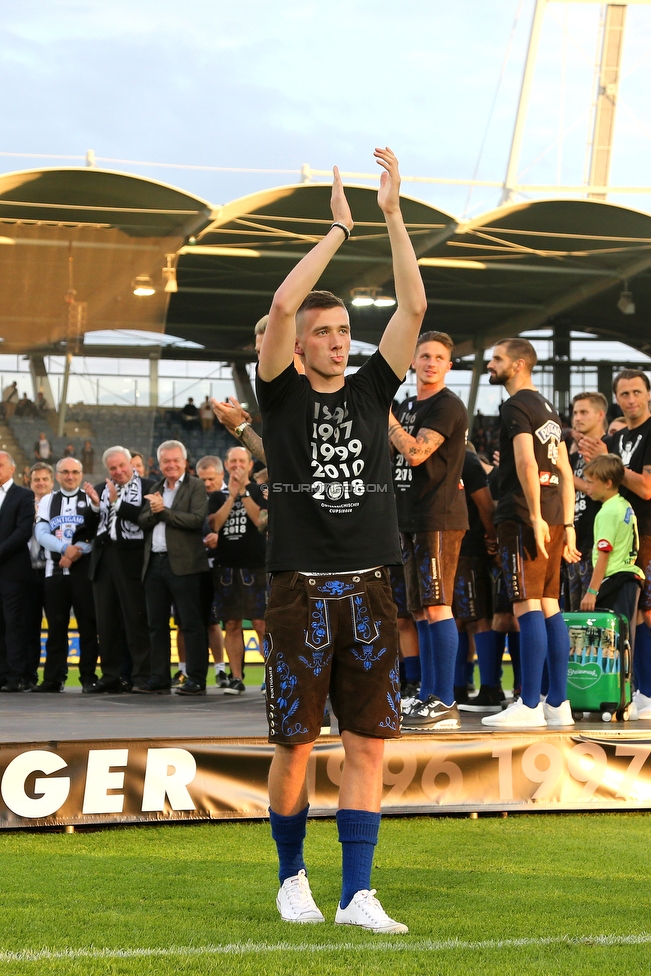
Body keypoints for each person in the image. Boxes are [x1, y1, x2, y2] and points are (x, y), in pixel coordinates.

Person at [257, 148, 425, 932]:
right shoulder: (281, 394)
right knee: (295, 747)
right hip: (298, 590)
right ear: (297, 345)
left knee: (368, 744)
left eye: (342, 331)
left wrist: (393, 217)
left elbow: (414, 310)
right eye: (322, 332)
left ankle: (358, 893)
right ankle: (293, 877)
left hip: (368, 587)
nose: (334, 341)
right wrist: (336, 228)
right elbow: (283, 300)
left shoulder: (369, 389)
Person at [481, 337, 580, 729]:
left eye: (497, 359)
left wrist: (534, 515)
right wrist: (567, 523)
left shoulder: (516, 405)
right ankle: (558, 703)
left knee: (526, 604)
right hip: (555, 514)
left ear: (519, 364)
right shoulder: (550, 409)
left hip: (524, 516)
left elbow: (524, 462)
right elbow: (567, 473)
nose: (491, 364)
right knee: (550, 605)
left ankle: (528, 705)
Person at [389, 331, 469, 732]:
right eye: (425, 355)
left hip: (438, 516)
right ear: (413, 362)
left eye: (439, 357)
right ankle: (425, 696)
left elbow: (416, 453)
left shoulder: (447, 405)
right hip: (408, 517)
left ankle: (445, 700)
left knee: (438, 606)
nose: (432, 362)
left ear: (449, 365)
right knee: (418, 609)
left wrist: (385, 420)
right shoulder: (406, 405)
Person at [579, 370, 651, 717]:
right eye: (624, 394)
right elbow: (602, 485)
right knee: (630, 620)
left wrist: (611, 459)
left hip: (644, 532)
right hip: (622, 534)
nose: (631, 399)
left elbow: (648, 488)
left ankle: (646, 692)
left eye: (637, 392)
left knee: (644, 615)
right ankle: (634, 690)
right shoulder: (620, 436)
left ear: (648, 394)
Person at [137, 440, 210, 695]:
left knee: (191, 623)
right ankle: (159, 677)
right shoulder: (156, 487)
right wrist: (156, 511)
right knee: (156, 625)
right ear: (159, 464)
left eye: (175, 460)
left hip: (185, 565)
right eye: (166, 461)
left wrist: (163, 511)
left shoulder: (196, 486)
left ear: (184, 462)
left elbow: (197, 520)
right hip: (154, 564)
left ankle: (197, 679)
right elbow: (142, 520)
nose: (171, 465)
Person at [82, 447, 155, 693]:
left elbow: (146, 519)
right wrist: (94, 506)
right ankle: (111, 675)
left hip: (132, 558)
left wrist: (116, 503)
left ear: (131, 464)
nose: (118, 471)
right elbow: (87, 529)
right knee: (106, 623)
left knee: (135, 619)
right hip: (103, 559)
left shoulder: (148, 487)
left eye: (122, 465)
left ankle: (142, 675)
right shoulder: (100, 489)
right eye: (113, 468)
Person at [33, 458, 99, 692]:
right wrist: (64, 549)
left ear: (81, 474)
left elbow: (96, 535)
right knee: (56, 627)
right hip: (55, 572)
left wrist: (73, 554)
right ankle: (53, 678)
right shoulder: (48, 500)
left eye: (74, 472)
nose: (70, 476)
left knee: (88, 626)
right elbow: (40, 533)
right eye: (65, 472)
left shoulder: (90, 498)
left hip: (84, 573)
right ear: (57, 476)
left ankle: (89, 677)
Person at [208, 446, 266, 694]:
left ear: (250, 465)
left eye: (241, 461)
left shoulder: (260, 490)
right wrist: (231, 496)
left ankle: (270, 676)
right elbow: (215, 525)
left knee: (261, 624)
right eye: (232, 461)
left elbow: (261, 522)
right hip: (226, 567)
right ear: (226, 463)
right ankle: (236, 677)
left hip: (256, 566)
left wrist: (242, 493)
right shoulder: (217, 496)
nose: (236, 466)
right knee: (231, 624)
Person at [454, 448, 502, 713]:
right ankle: (458, 687)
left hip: (471, 550)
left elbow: (487, 507)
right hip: (451, 549)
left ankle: (489, 688)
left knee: (478, 618)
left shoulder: (468, 459)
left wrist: (493, 539)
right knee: (458, 619)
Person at [580, 454, 643, 631]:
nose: (587, 487)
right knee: (625, 639)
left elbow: (604, 555)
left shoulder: (607, 512)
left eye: (591, 482)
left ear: (608, 483)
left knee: (612, 642)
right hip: (628, 577)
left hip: (615, 580)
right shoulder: (624, 505)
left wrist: (592, 592)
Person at [562, 392, 608, 611]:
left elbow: (597, 490)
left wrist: (564, 474)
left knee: (594, 618)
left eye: (583, 412)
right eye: (575, 413)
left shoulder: (608, 447)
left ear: (600, 415)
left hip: (599, 542)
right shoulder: (575, 456)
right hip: (576, 542)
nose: (577, 418)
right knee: (573, 615)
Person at [0, 452, 36, 692]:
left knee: (13, 624)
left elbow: (23, 532)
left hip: (12, 571)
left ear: (12, 469)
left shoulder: (24, 495)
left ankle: (16, 676)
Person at [194, 455, 227, 687]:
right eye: (202, 479)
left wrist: (221, 538)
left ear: (221, 475)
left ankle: (223, 670)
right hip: (198, 566)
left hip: (227, 567)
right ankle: (189, 670)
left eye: (211, 478)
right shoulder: (194, 499)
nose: (206, 483)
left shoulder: (232, 496)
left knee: (223, 622)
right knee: (197, 621)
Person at [23, 462, 54, 690]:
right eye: (36, 480)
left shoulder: (60, 504)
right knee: (29, 626)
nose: (40, 483)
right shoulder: (21, 504)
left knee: (57, 625)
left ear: (52, 482)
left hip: (53, 570)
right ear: (29, 482)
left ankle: (54, 677)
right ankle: (28, 675)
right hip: (27, 571)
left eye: (45, 479)